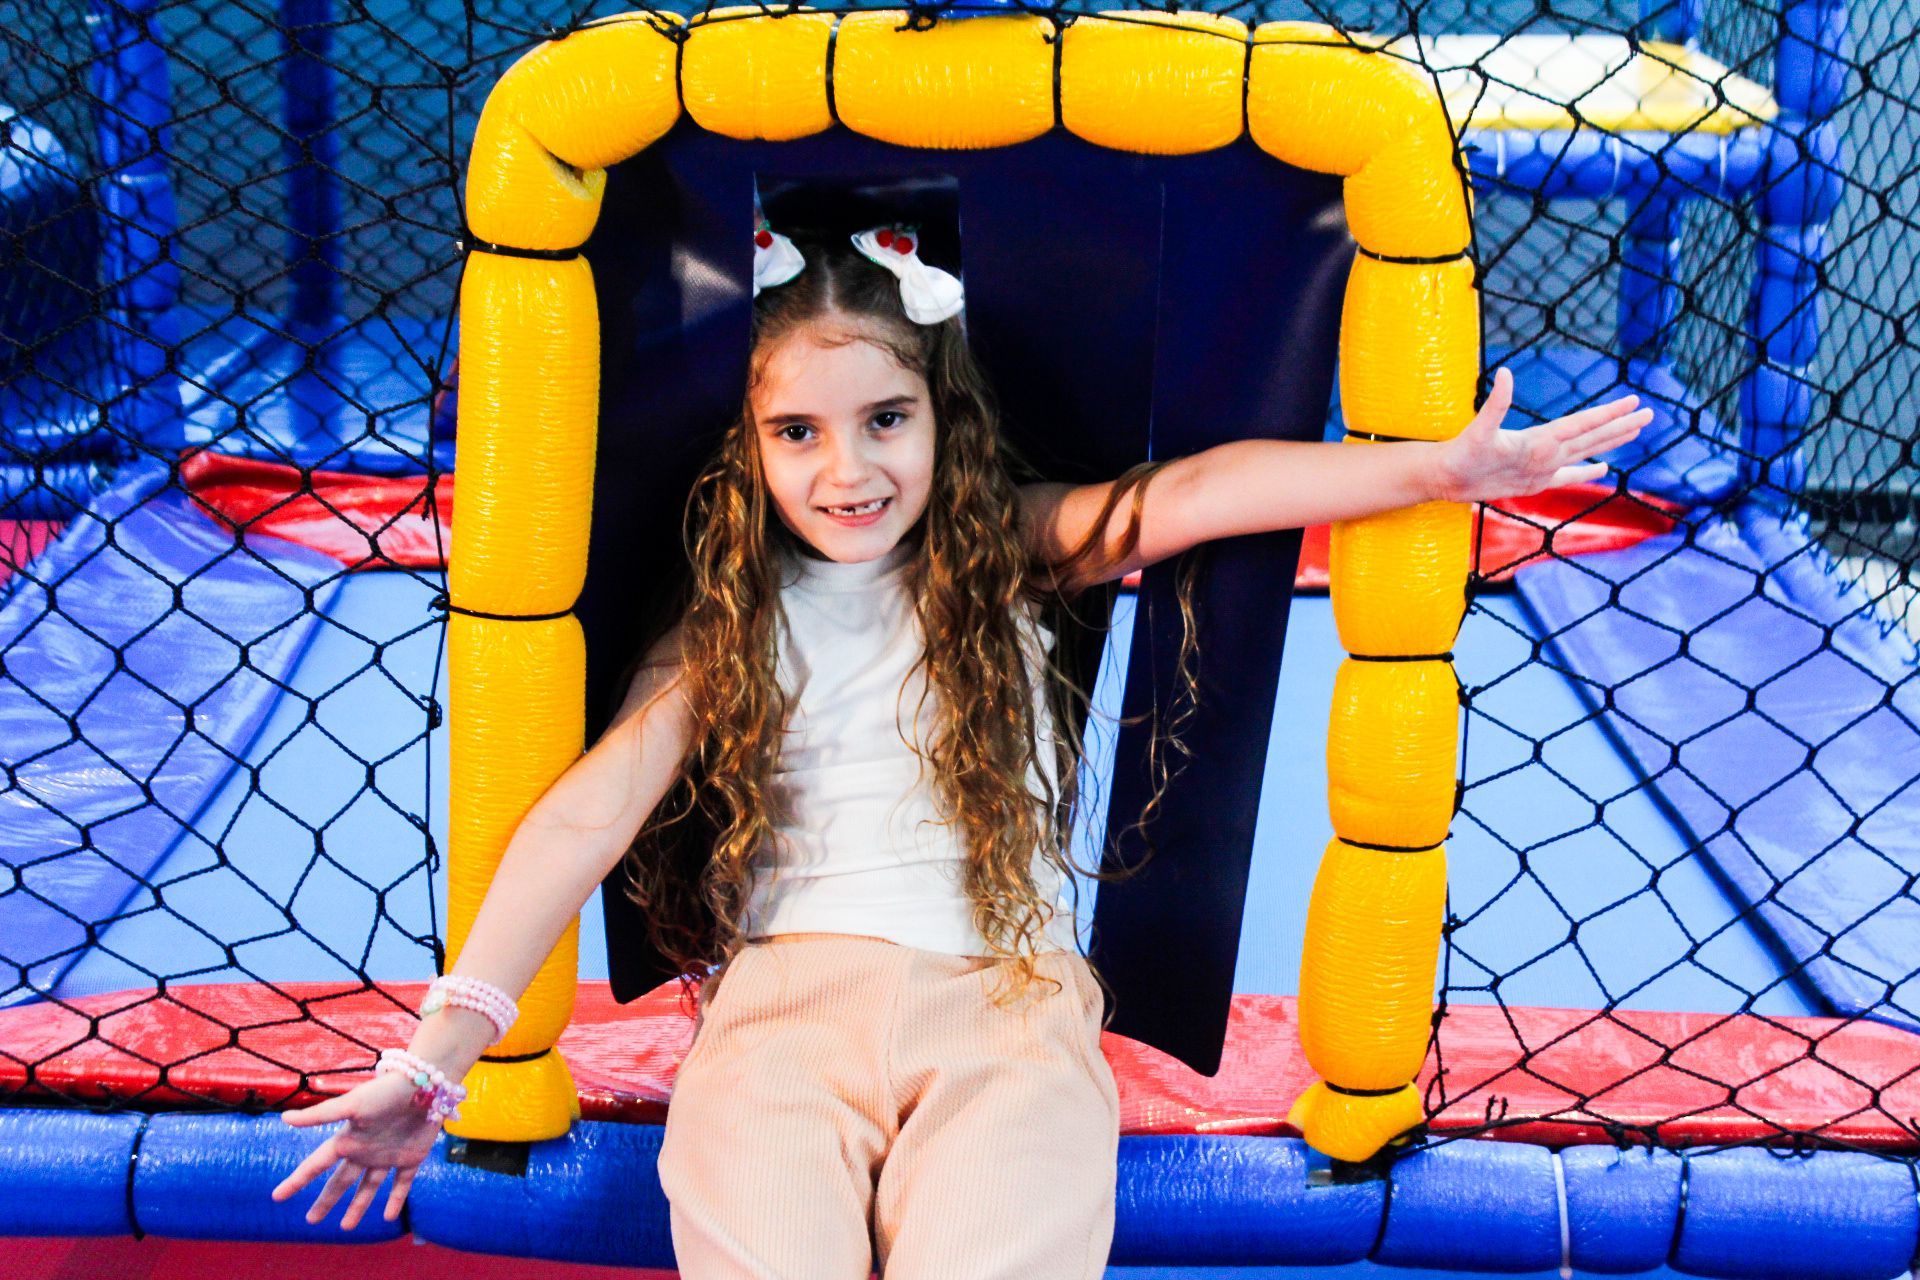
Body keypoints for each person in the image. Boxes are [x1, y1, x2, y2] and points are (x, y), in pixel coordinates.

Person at [269, 212, 1649, 1276]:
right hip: (780, 1019)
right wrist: (434, 1059)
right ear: (750, 451)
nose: (848, 469)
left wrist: (1438, 470)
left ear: (944, 419)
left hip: (1007, 1010)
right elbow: (583, 818)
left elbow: (1205, 491)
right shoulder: (726, 627)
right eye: (798, 433)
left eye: (886, 420)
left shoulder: (1007, 557)